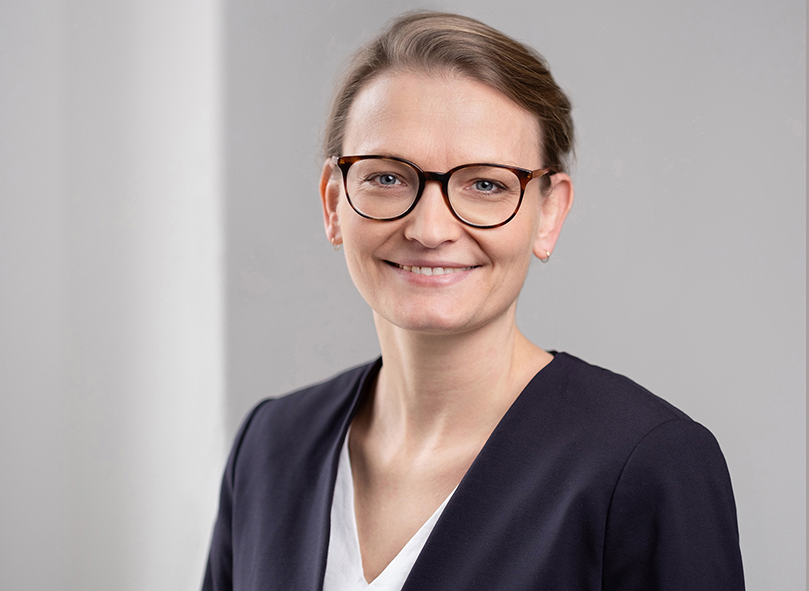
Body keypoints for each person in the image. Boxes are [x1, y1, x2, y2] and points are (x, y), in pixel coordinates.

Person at [202, 11, 744, 591]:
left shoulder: (649, 464)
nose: (429, 229)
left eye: (486, 184)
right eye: (386, 178)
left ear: (549, 213)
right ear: (334, 202)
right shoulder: (270, 447)